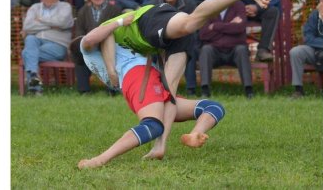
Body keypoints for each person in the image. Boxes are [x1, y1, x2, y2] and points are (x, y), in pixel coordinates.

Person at [82, 0, 270, 103]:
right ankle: (160, 145)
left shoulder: (107, 29)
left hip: (146, 21)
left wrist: (112, 71)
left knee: (190, 23)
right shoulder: (122, 50)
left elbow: (97, 37)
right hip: (159, 40)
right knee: (167, 96)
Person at [76, 38, 225, 169]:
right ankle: (100, 159)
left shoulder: (107, 43)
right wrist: (121, 21)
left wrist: (121, 22)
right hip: (145, 76)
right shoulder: (90, 45)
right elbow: (97, 35)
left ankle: (195, 134)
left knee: (211, 108)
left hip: (146, 77)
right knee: (155, 125)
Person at [198, 0, 254, 99]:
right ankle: (205, 90)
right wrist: (229, 26)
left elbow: (240, 29)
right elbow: (203, 34)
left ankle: (249, 90)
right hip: (215, 51)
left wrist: (215, 27)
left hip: (235, 50)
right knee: (206, 50)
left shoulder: (239, 5)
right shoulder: (208, 7)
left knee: (242, 50)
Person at [21, 0, 74, 95]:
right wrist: (53, 25)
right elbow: (27, 26)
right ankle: (34, 79)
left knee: (27, 53)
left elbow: (63, 22)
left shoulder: (65, 7)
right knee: (30, 39)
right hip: (36, 43)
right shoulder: (35, 8)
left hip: (57, 45)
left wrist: (40, 20)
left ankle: (33, 81)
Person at [71, 0, 121, 94]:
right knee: (80, 56)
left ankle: (112, 89)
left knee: (110, 57)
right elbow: (79, 30)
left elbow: (117, 31)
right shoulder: (83, 11)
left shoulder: (115, 9)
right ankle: (84, 90)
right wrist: (86, 43)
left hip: (109, 45)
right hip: (89, 45)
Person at [152, 0, 198, 96]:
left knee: (188, 49)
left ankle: (191, 89)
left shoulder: (190, 4)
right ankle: (157, 88)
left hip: (184, 39)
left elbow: (194, 27)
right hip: (161, 41)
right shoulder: (154, 5)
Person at [290, 0, 323, 98]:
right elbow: (307, 37)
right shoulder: (314, 14)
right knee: (296, 51)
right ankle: (298, 90)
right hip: (318, 50)